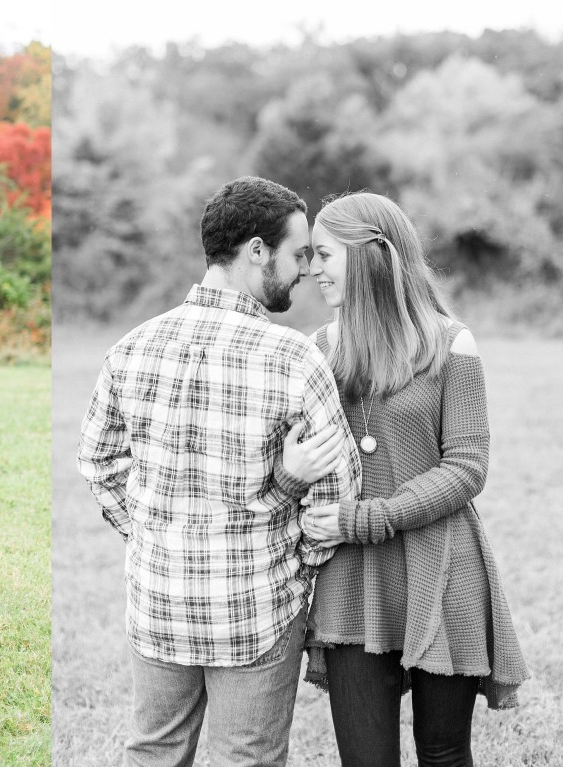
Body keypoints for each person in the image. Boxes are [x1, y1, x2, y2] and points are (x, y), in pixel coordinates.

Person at [76, 176, 362, 766]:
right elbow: (336, 493)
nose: (305, 268)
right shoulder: (293, 357)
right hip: (257, 604)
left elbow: (96, 462)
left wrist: (152, 535)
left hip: (158, 601)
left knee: (153, 753)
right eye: (298, 253)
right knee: (247, 759)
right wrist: (292, 559)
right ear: (257, 251)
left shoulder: (131, 347)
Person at [280, 191, 529, 767]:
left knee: (444, 754)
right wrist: (290, 478)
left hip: (441, 570)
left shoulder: (450, 343)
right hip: (352, 584)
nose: (313, 269)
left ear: (373, 254)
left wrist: (367, 517)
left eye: (324, 254)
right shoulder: (319, 351)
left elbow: (467, 467)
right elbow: (297, 461)